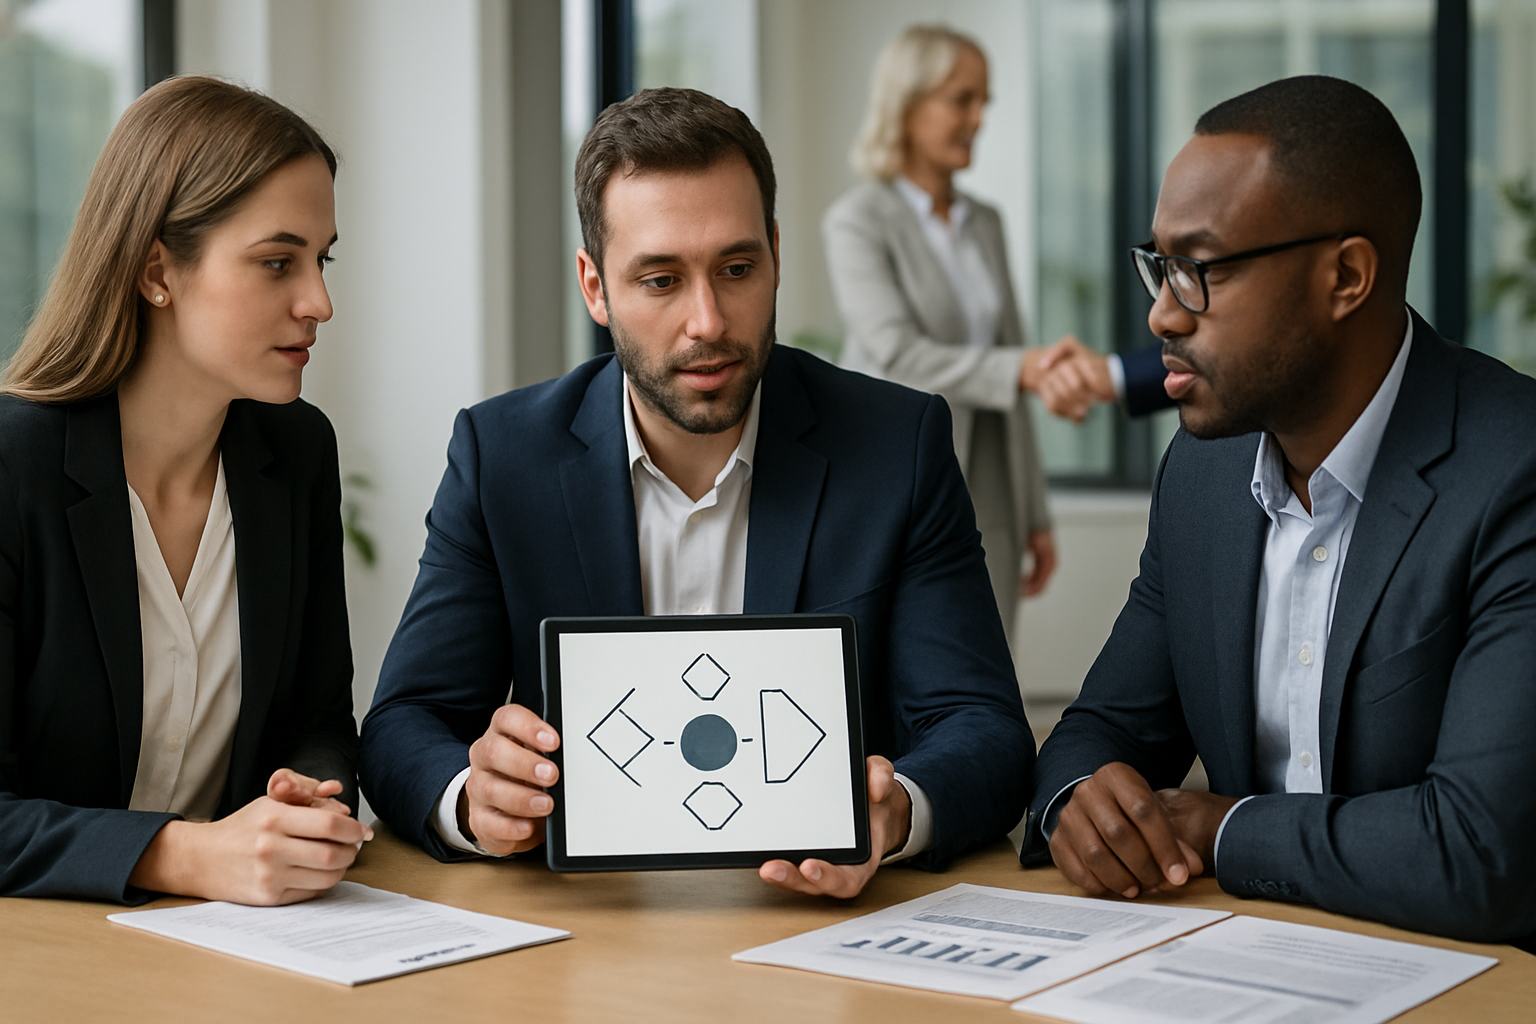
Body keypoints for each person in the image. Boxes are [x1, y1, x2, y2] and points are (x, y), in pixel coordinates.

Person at [360, 87, 1034, 898]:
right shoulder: (501, 456)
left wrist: (894, 812)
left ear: (775, 256)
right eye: (660, 280)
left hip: (817, 921)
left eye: (737, 270)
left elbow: (985, 730)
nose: (708, 321)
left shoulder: (898, 446)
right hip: (588, 924)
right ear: (594, 287)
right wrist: (474, 799)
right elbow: (404, 724)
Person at [1023, 75, 1536, 948]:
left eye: (1201, 270)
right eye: (1159, 265)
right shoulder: (1202, 472)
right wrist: (1083, 803)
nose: (1161, 313)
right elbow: (1102, 730)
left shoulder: (1513, 469)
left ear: (1346, 276)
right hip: (1238, 963)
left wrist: (1221, 829)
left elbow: (1478, 850)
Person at [0, 76, 369, 905]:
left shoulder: (296, 452)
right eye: (276, 262)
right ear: (156, 270)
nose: (318, 302)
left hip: (236, 941)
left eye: (321, 259)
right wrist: (183, 855)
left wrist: (308, 797)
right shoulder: (13, 467)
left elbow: (318, 721)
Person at [823, 24, 1068, 632]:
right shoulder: (857, 221)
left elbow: (1012, 360)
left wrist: (1035, 510)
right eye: (962, 99)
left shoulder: (985, 222)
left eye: (984, 101)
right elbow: (897, 353)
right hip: (896, 477)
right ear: (907, 104)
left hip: (991, 482)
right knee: (902, 656)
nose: (978, 118)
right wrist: (1023, 368)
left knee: (989, 657)